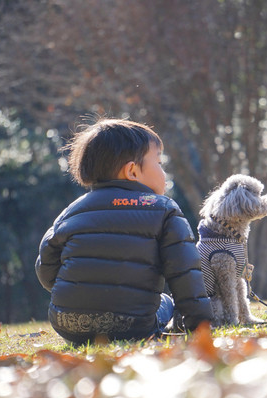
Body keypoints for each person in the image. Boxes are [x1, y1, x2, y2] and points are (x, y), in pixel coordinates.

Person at [35, 118, 213, 344]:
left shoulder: (71, 212)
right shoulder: (163, 209)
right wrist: (200, 325)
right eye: (159, 163)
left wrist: (80, 292)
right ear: (132, 171)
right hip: (132, 325)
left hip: (68, 324)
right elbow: (185, 272)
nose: (163, 172)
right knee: (165, 302)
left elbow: (46, 269)